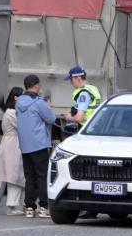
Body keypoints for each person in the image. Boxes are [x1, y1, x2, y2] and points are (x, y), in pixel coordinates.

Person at [60, 66, 103, 219]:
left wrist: (68, 117)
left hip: (86, 134)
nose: (71, 83)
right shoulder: (93, 89)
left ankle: (90, 207)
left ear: (77, 78)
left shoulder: (83, 94)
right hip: (96, 133)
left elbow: (79, 117)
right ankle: (94, 207)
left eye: (71, 80)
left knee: (87, 171)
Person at [16, 74, 56, 218]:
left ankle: (29, 207)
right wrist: (48, 107)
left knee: (29, 176)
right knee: (42, 176)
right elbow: (51, 118)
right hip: (38, 144)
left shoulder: (19, 101)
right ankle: (44, 207)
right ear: (36, 85)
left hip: (25, 145)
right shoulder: (38, 102)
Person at [0, 87, 26, 216]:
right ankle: (11, 205)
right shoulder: (11, 112)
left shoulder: (12, 111)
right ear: (15, 98)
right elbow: (23, 125)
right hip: (12, 143)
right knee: (14, 175)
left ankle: (17, 204)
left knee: (18, 174)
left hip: (13, 142)